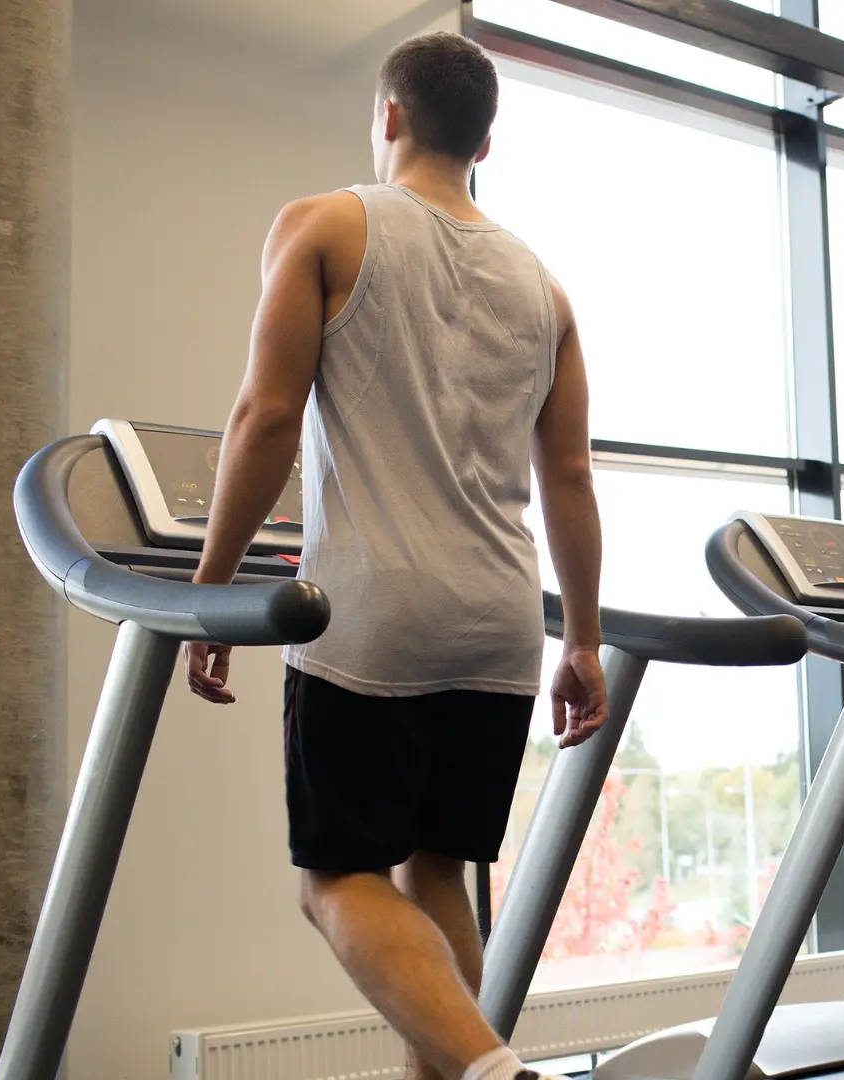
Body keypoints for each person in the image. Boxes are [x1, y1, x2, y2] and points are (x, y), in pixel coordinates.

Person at [183, 32, 604, 1080]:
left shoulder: (324, 224)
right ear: (486, 144)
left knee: (333, 879)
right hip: (499, 626)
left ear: (389, 116)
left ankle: (497, 1072)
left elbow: (264, 417)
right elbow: (571, 481)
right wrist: (583, 640)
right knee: (438, 873)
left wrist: (210, 591)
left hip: (373, 618)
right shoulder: (545, 290)